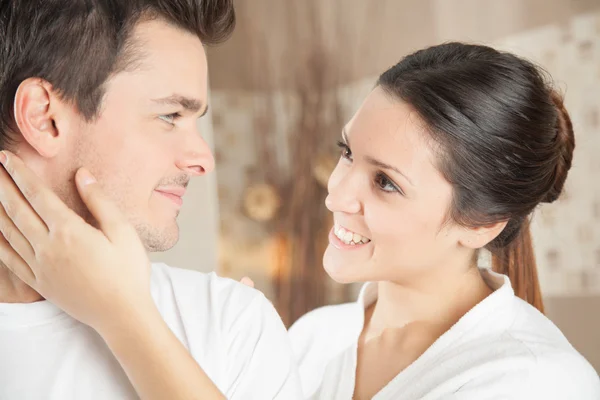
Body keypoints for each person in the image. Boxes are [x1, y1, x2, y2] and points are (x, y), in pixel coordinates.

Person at [0, 32, 598, 400]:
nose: (337, 193)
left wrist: (125, 315)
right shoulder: (315, 338)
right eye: (347, 154)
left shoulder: (539, 382)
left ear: (481, 224)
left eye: (385, 182)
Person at [0, 1, 301, 399]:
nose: (204, 160)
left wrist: (125, 317)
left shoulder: (229, 321)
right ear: (44, 117)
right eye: (170, 116)